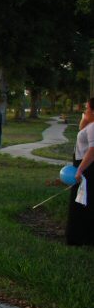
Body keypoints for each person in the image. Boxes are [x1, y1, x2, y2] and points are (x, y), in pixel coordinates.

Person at [66, 97, 94, 246]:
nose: (84, 111)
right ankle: (80, 237)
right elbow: (81, 129)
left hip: (86, 168)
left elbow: (92, 151)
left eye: (87, 109)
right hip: (82, 165)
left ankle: (79, 238)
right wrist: (85, 119)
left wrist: (80, 170)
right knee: (80, 201)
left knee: (81, 202)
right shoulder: (90, 124)